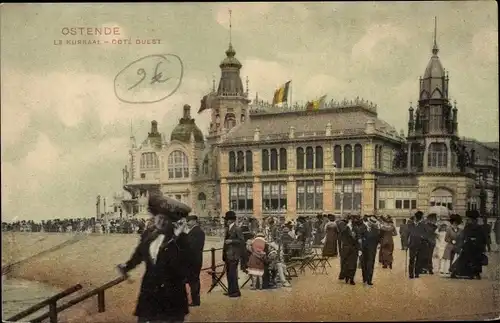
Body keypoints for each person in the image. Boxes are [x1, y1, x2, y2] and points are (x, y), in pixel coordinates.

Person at [117, 194, 192, 323]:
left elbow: (184, 264)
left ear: (172, 222)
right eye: (159, 217)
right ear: (155, 217)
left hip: (172, 292)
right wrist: (127, 267)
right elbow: (139, 254)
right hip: (150, 289)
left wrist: (175, 239)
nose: (161, 222)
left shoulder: (181, 239)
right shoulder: (148, 235)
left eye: (166, 219)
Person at [450, 210, 487, 279]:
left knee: (471, 261)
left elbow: (482, 238)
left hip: (475, 247)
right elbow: (464, 235)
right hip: (470, 246)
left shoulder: (477, 228)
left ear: (473, 220)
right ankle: (458, 272)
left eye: (469, 219)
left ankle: (474, 274)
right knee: (465, 260)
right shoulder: (470, 227)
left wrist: (476, 241)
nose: (468, 220)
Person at [222, 211, 245, 297]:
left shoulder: (237, 228)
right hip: (228, 255)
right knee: (229, 274)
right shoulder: (228, 228)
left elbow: (242, 241)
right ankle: (231, 291)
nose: (225, 221)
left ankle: (235, 292)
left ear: (230, 220)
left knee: (232, 274)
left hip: (234, 255)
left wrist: (231, 241)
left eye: (226, 219)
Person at [185, 215, 205, 307]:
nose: (187, 223)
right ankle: (195, 300)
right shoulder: (196, 231)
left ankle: (195, 301)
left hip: (193, 260)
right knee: (193, 280)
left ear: (194, 221)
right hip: (194, 259)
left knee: (193, 280)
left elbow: (193, 247)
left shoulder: (197, 232)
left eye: (188, 221)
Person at [339, 215, 362, 285]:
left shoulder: (356, 229)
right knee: (345, 264)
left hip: (354, 249)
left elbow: (359, 239)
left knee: (353, 265)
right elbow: (341, 233)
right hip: (346, 249)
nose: (352, 222)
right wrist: (348, 226)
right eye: (351, 220)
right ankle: (346, 278)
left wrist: (360, 249)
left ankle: (351, 279)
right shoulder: (344, 227)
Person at [360, 215, 380, 286]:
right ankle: (364, 278)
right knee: (363, 264)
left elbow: (378, 240)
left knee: (370, 264)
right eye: (370, 221)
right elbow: (359, 237)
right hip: (363, 249)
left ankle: (369, 280)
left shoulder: (376, 230)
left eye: (373, 222)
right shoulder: (363, 228)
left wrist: (377, 245)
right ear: (368, 221)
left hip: (372, 249)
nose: (371, 223)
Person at [407, 211, 425, 279]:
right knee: (411, 259)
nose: (417, 219)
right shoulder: (410, 225)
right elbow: (407, 235)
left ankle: (417, 273)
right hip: (412, 245)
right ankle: (411, 274)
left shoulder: (422, 225)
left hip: (420, 244)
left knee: (419, 259)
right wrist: (406, 245)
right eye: (417, 217)